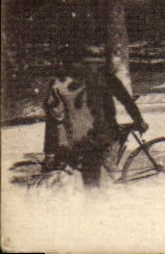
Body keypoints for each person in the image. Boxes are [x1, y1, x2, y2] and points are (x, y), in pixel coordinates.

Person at [43, 50, 146, 188]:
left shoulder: (60, 84)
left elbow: (126, 100)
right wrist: (139, 120)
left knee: (90, 175)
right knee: (89, 172)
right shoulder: (64, 84)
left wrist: (49, 151)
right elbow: (126, 100)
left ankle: (106, 182)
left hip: (94, 136)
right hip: (90, 136)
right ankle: (109, 177)